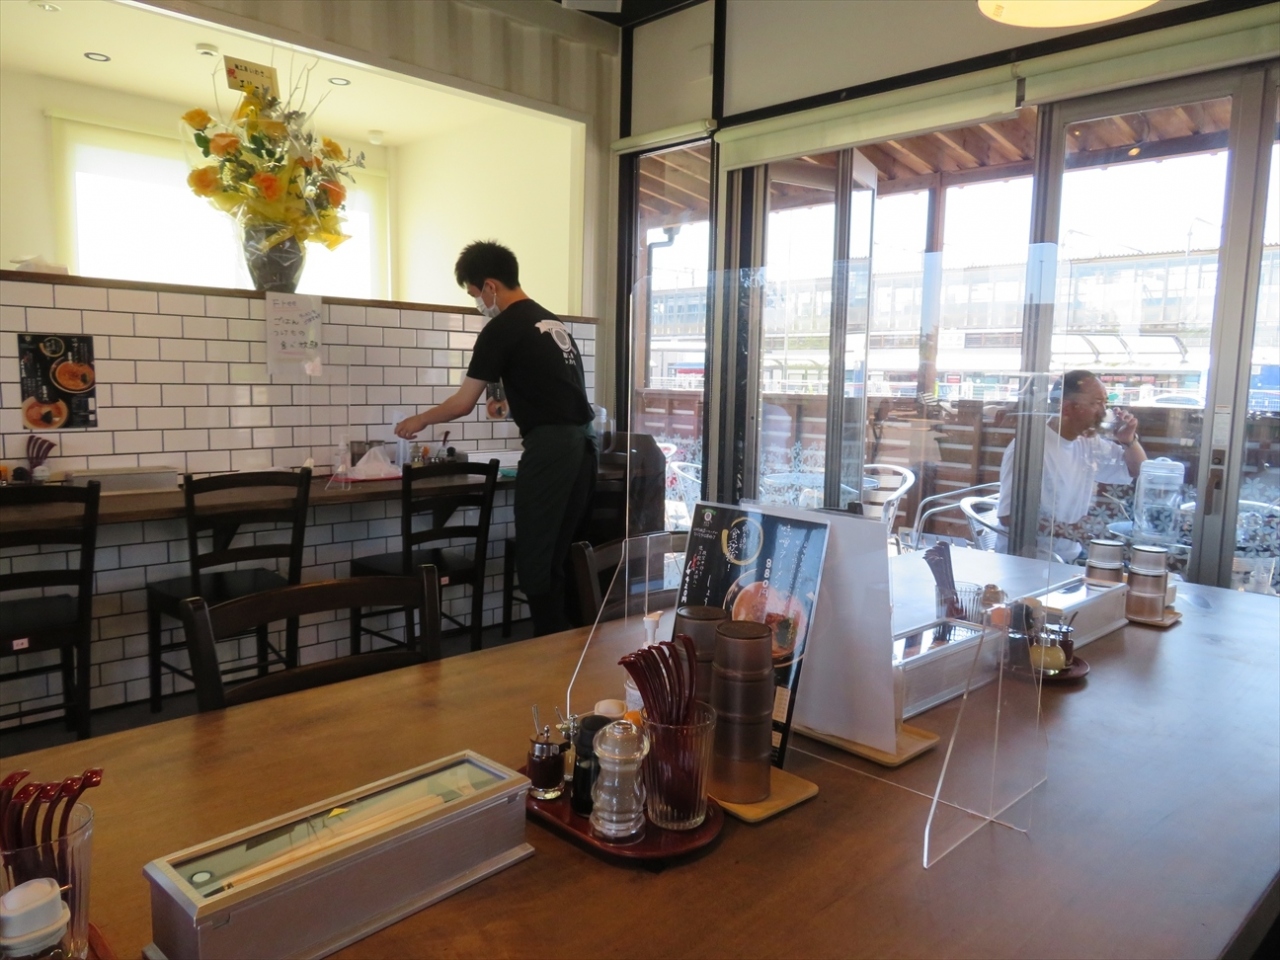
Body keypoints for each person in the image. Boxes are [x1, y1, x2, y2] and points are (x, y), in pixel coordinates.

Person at [395, 241, 596, 635]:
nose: (478, 304)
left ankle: (549, 651)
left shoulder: (501, 328)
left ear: (489, 286)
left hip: (552, 450)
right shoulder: (552, 322)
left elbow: (462, 403)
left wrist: (418, 420)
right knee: (560, 555)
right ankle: (570, 647)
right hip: (585, 447)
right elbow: (549, 390)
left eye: (474, 294)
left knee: (536, 559)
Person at [997, 369, 1147, 561]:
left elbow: (1137, 470)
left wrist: (1128, 440)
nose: (1103, 412)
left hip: (1071, 555)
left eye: (1105, 403)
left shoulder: (1088, 442)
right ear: (1067, 408)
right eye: (1096, 403)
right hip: (1031, 559)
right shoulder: (1029, 448)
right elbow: (1009, 517)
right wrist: (1068, 530)